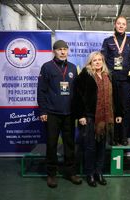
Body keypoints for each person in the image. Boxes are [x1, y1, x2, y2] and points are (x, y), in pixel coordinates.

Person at [37, 40, 82, 188]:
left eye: (65, 49)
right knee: (52, 144)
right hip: (52, 113)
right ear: (54, 51)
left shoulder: (73, 68)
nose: (63, 52)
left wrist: (77, 112)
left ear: (68, 51)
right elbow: (41, 91)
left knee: (70, 144)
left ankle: (70, 172)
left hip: (69, 114)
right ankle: (51, 174)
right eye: (59, 49)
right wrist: (43, 110)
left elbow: (77, 92)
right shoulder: (47, 67)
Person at [74, 51, 122, 187]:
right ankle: (89, 174)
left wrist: (118, 114)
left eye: (100, 60)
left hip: (106, 117)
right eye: (94, 60)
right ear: (90, 62)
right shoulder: (85, 75)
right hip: (89, 117)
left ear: (103, 61)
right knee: (90, 147)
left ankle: (99, 172)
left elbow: (116, 96)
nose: (97, 62)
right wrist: (81, 115)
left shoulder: (109, 75)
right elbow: (78, 97)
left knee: (101, 147)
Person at [101, 15, 130, 146]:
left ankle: (123, 136)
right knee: (112, 108)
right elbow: (103, 61)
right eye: (119, 23)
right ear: (115, 24)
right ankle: (113, 136)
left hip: (126, 81)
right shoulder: (107, 41)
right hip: (111, 80)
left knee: (125, 109)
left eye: (123, 24)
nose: (121, 26)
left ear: (126, 26)